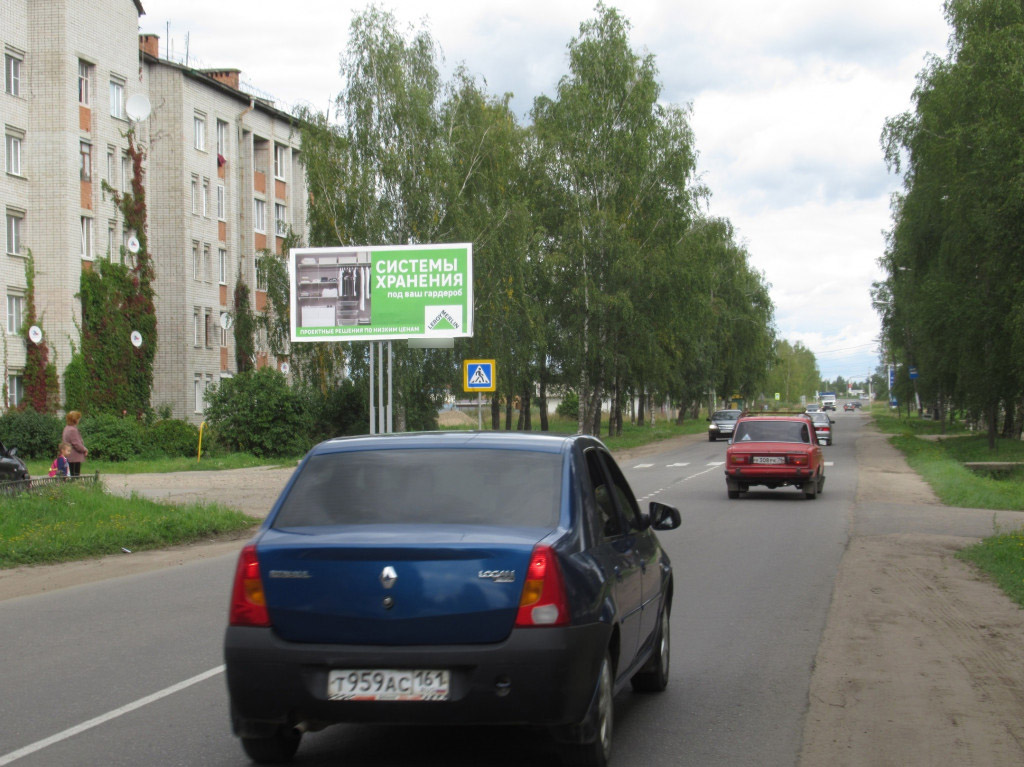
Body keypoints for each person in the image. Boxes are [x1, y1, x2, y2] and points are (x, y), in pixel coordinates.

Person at [62, 411, 88, 477]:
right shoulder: (72, 430)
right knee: (75, 476)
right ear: (75, 420)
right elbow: (77, 444)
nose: (79, 420)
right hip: (74, 457)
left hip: (69, 455)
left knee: (71, 475)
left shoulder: (66, 428)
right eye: (78, 418)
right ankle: (75, 486)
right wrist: (84, 449)